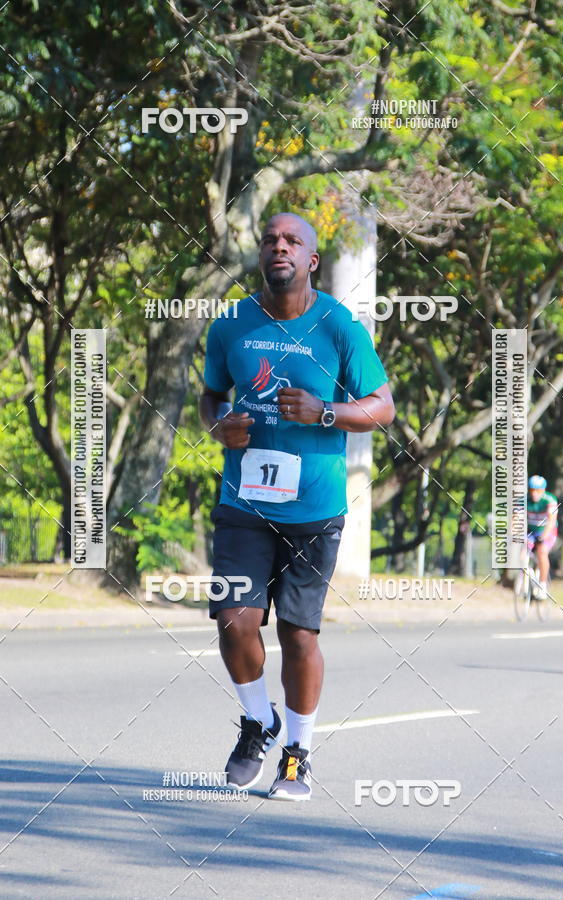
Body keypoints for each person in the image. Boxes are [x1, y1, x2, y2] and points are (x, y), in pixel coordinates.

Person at [200, 212, 394, 801]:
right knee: (234, 621)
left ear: (311, 260)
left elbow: (382, 407)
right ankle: (259, 720)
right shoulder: (230, 323)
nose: (278, 246)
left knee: (299, 635)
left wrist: (325, 412)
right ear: (261, 256)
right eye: (270, 239)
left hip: (314, 508)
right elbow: (210, 397)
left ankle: (298, 751)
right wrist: (218, 426)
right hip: (244, 502)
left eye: (293, 241)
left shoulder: (340, 327)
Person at [526, 475, 558, 600]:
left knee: (542, 552)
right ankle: (526, 578)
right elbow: (515, 519)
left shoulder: (550, 500)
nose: (534, 493)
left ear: (543, 490)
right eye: (532, 490)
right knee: (522, 552)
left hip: (546, 531)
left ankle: (542, 585)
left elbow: (551, 521)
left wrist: (543, 537)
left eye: (538, 490)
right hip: (530, 531)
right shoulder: (523, 500)